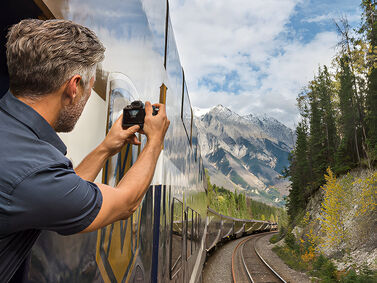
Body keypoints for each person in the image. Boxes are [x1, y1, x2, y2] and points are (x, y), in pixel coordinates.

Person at [0, 19, 170, 282]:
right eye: (89, 86)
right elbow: (125, 203)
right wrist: (155, 140)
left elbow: (61, 189)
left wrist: (105, 148)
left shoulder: (16, 143)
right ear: (73, 86)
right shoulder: (33, 171)